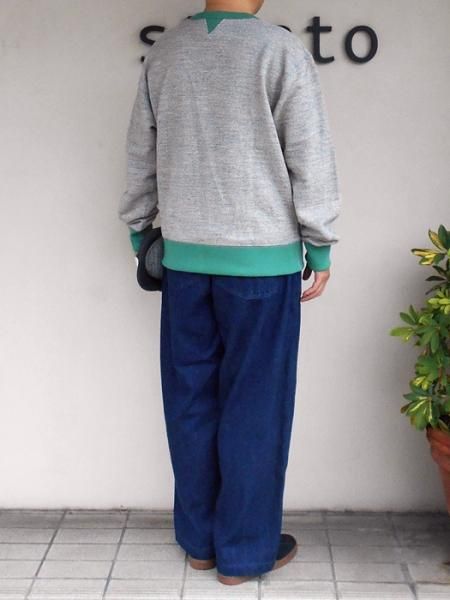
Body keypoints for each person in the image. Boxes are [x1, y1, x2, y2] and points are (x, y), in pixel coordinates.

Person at [118, 0, 341, 586]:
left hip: (185, 262)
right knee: (256, 406)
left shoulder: (166, 52)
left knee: (190, 400)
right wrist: (319, 245)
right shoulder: (280, 51)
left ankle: (199, 542)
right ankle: (242, 553)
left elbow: (140, 154)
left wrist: (141, 231)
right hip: (262, 266)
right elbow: (310, 155)